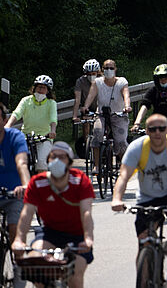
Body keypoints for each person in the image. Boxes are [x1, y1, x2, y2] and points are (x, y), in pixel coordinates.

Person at [112, 114, 167, 273]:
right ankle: (143, 279)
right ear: (147, 131)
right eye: (152, 129)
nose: (157, 132)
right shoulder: (137, 147)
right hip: (148, 197)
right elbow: (123, 176)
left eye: (161, 129)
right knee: (144, 243)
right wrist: (116, 199)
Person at [14, 142, 94, 288]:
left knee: (75, 278)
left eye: (62, 157)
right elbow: (27, 213)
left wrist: (88, 239)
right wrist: (19, 240)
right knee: (37, 268)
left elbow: (86, 212)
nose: (57, 160)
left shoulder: (81, 181)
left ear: (70, 163)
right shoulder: (38, 182)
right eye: (53, 156)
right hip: (49, 233)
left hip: (77, 236)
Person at [80, 59, 131, 175]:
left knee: (121, 142)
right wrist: (86, 107)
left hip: (118, 115)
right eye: (106, 68)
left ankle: (125, 166)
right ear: (102, 70)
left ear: (115, 69)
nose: (109, 70)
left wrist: (127, 106)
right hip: (101, 114)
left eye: (111, 68)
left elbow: (126, 95)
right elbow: (91, 96)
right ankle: (97, 166)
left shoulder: (122, 81)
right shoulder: (97, 82)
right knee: (97, 133)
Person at [7, 75, 57, 171]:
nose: (40, 90)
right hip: (26, 136)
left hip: (44, 137)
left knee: (42, 164)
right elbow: (17, 113)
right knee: (19, 162)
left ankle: (41, 184)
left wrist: (53, 131)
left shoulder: (51, 103)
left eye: (44, 88)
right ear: (34, 88)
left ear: (48, 91)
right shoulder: (26, 100)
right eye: (39, 87)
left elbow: (53, 119)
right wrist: (8, 125)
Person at [0, 118, 30, 246]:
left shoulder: (15, 137)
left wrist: (25, 185)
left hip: (14, 193)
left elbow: (21, 163)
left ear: (4, 120)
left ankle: (19, 261)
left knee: (14, 229)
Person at [133, 63, 167, 130]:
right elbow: (145, 106)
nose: (163, 81)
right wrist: (137, 123)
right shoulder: (153, 91)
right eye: (160, 79)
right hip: (157, 123)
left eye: (165, 79)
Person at [73, 60, 100, 138]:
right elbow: (77, 100)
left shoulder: (102, 81)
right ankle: (86, 144)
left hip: (101, 107)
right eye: (89, 74)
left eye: (94, 74)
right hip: (87, 109)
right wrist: (75, 116)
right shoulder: (80, 81)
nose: (91, 76)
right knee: (86, 127)